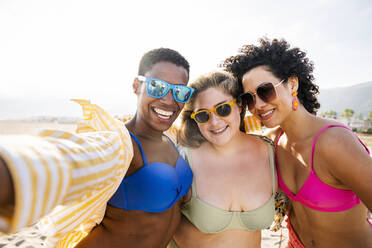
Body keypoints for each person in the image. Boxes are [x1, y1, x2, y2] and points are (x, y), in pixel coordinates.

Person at [0, 48, 194, 248]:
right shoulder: (121, 144)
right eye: (157, 87)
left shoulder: (171, 140)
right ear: (137, 86)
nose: (169, 100)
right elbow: (71, 159)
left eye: (180, 92)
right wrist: (11, 167)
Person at [223, 38, 372, 248]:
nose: (258, 104)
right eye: (249, 98)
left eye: (266, 91)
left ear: (292, 84)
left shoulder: (334, 142)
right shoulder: (273, 140)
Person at [169, 71, 277, 248]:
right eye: (203, 115)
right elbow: (158, 224)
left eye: (223, 109)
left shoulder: (269, 152)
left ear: (240, 105)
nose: (215, 122)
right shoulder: (183, 159)